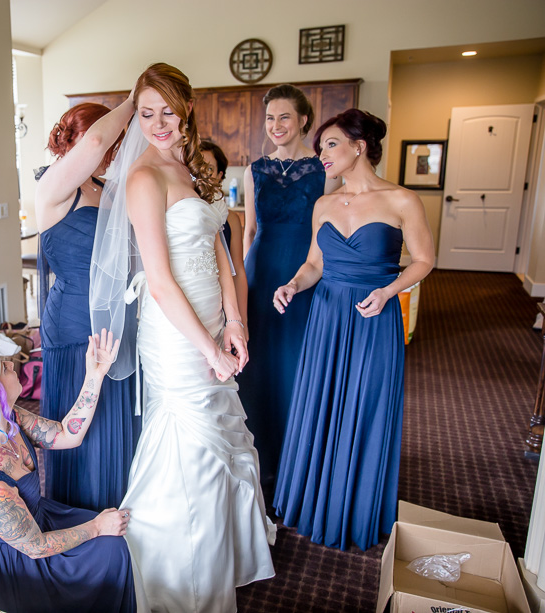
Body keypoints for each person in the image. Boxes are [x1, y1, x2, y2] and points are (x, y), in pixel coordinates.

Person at [92, 63, 275, 613]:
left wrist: (235, 323)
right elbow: (163, 281)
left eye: (167, 110)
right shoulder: (143, 177)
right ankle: (176, 583)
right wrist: (208, 349)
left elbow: (219, 247)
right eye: (146, 113)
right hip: (174, 333)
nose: (157, 123)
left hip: (212, 320)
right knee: (187, 446)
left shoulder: (191, 166)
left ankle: (216, 560)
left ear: (187, 108)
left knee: (219, 446)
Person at [272, 109, 434, 551]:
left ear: (359, 147)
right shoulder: (324, 204)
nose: (321, 153)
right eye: (321, 145)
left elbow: (423, 260)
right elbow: (313, 265)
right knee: (320, 401)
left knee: (365, 406)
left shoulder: (402, 201)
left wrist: (388, 292)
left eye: (330, 144)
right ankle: (310, 502)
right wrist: (291, 284)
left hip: (373, 315)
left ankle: (353, 508)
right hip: (326, 314)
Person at [0, 331, 136, 612]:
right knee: (111, 549)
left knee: (116, 545)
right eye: (4, 366)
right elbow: (35, 547)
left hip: (37, 521)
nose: (12, 365)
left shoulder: (6, 417)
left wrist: (95, 375)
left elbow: (66, 434)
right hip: (16, 559)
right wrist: (97, 527)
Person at [34, 98, 140, 512]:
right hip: (75, 320)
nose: (113, 152)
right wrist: (133, 102)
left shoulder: (107, 188)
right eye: (112, 144)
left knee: (113, 418)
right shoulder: (53, 187)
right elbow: (97, 139)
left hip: (115, 319)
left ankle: (117, 506)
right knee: (84, 421)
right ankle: (80, 516)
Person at [238, 84, 341, 491]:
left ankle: (298, 465)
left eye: (284, 117)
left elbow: (329, 234)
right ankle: (259, 462)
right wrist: (243, 285)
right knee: (259, 367)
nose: (276, 125)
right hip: (261, 273)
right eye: (269, 118)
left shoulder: (325, 170)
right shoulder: (254, 170)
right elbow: (248, 231)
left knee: (297, 366)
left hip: (304, 275)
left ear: (303, 121)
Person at [199, 140, 248, 331]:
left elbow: (238, 272)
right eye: (197, 167)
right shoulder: (178, 215)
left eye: (209, 169)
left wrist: (241, 321)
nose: (201, 175)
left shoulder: (231, 219)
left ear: (219, 176)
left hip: (224, 307)